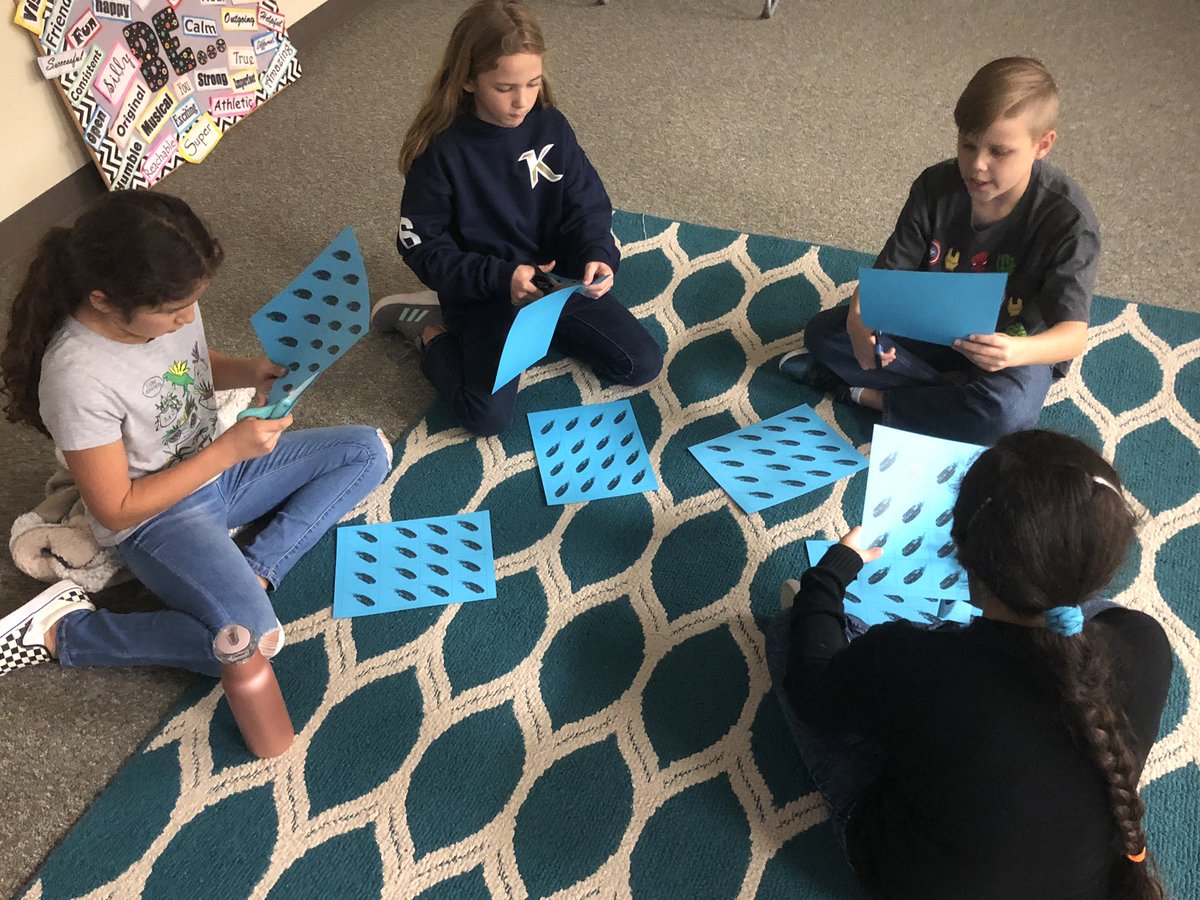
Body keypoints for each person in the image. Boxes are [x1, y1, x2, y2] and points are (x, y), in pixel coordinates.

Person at [0, 191, 391, 678]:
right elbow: (114, 509)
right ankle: (65, 632)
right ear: (102, 300)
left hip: (217, 469)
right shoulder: (75, 377)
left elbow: (190, 369)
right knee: (250, 644)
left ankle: (255, 569)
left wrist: (254, 371)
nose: (187, 318)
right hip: (155, 516)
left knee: (366, 452)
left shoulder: (170, 303)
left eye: (193, 303)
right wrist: (229, 452)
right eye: (173, 311)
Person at [766, 430, 1172, 899]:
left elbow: (814, 690)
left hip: (923, 878)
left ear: (960, 552)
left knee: (789, 631)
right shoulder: (1147, 641)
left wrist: (829, 576)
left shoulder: (913, 663)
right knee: (1102, 615)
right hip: (1067, 872)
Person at [373, 0, 662, 437]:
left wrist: (597, 253)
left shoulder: (550, 124)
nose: (522, 101)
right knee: (484, 418)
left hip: (556, 283)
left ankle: (540, 331)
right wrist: (501, 278)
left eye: (532, 82)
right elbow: (422, 248)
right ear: (468, 79)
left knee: (641, 364)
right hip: (486, 293)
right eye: (505, 87)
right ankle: (429, 333)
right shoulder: (441, 152)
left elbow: (586, 202)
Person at [782, 58, 1099, 445]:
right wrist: (857, 317)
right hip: (930, 327)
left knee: (1006, 414)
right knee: (824, 333)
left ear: (1042, 145)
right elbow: (886, 280)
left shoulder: (1068, 219)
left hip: (1008, 348)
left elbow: (1072, 336)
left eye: (999, 151)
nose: (977, 165)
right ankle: (953, 399)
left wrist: (1014, 352)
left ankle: (873, 397)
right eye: (968, 144)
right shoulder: (936, 186)